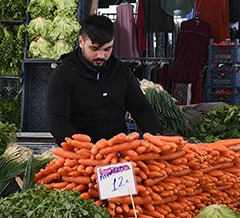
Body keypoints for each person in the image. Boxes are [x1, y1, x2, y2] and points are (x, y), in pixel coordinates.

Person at [47, 14, 163, 143]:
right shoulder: (63, 74)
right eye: (94, 49)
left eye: (107, 49)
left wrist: (155, 134)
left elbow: (141, 108)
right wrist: (83, 148)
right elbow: (57, 121)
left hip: (116, 151)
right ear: (81, 42)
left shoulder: (122, 71)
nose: (101, 55)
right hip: (78, 155)